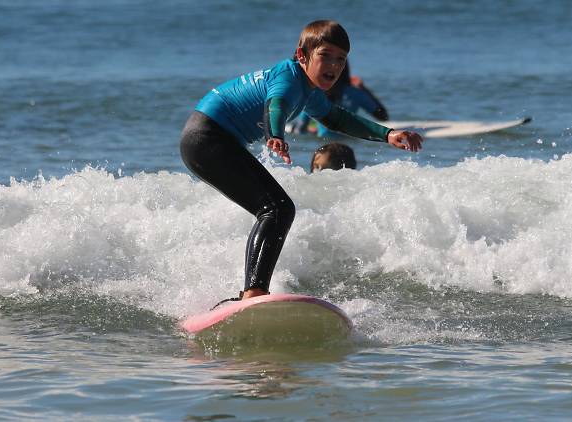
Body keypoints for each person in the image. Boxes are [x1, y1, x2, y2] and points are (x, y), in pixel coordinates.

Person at [180, 20, 423, 302]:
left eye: (340, 59)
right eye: (325, 56)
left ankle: (251, 292)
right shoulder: (287, 79)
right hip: (207, 138)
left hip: (211, 140)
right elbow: (277, 104)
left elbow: (338, 118)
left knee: (274, 209)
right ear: (302, 56)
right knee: (277, 208)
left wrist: (387, 133)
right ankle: (253, 292)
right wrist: (275, 134)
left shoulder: (308, 90)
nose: (333, 65)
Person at [287, 62, 388, 138]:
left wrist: (310, 130)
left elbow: (300, 129)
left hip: (324, 142)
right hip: (349, 142)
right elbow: (382, 116)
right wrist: (363, 89)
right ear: (346, 71)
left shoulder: (315, 93)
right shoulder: (355, 93)